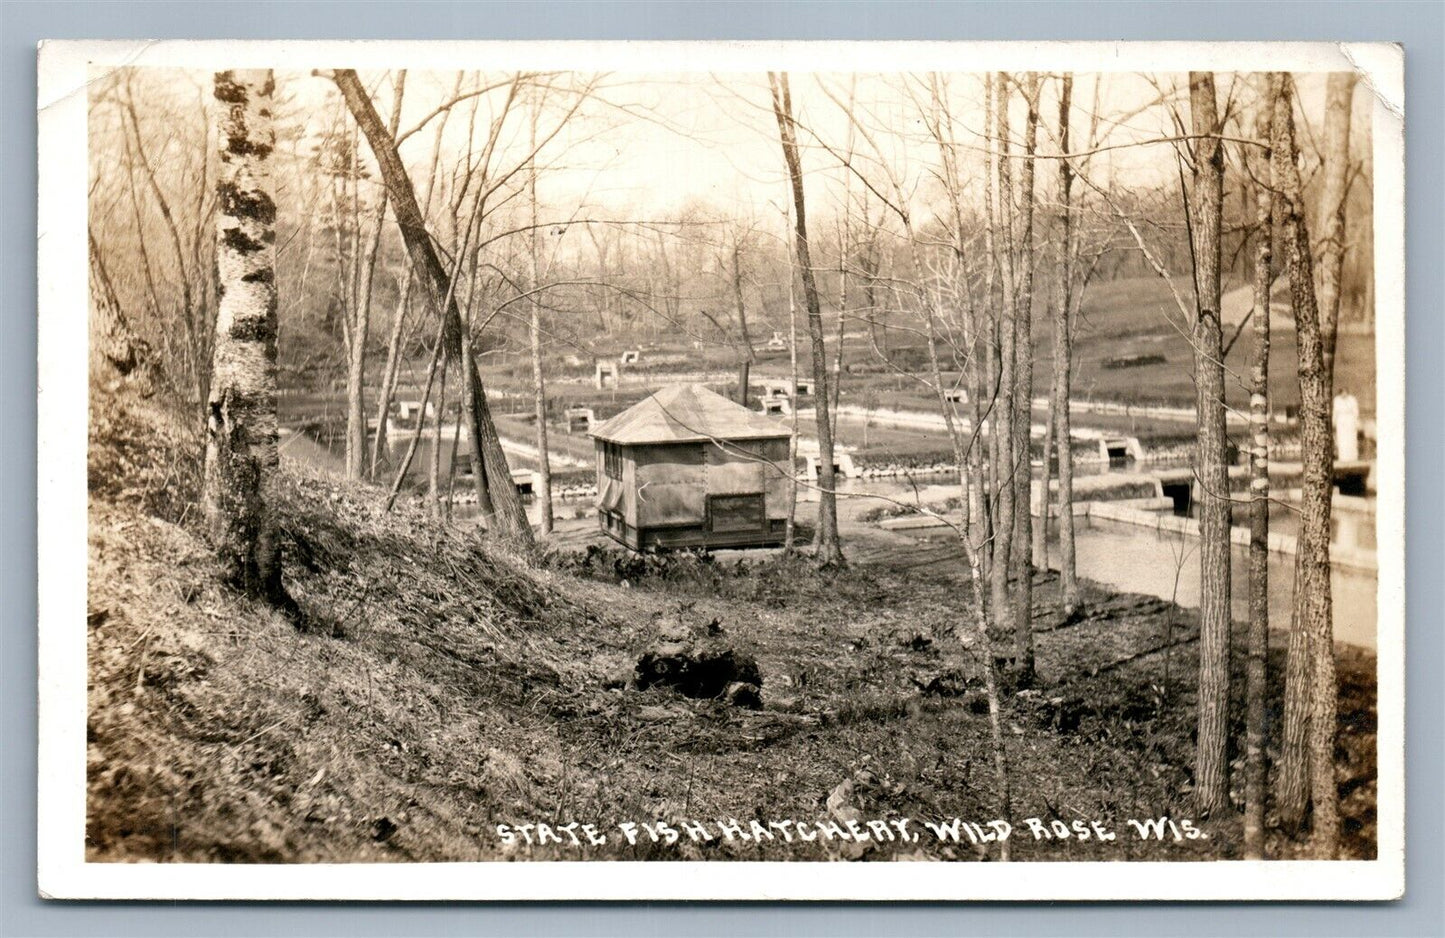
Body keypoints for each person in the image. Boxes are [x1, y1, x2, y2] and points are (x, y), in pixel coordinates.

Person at [1333, 386, 1360, 461]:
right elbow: (1335, 412)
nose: (1344, 394)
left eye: (1345, 392)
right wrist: (1334, 421)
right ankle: (1343, 457)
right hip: (1341, 421)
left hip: (1350, 420)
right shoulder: (1337, 400)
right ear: (1340, 393)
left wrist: (1355, 420)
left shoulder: (1352, 399)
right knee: (1342, 439)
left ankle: (1352, 457)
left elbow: (1355, 411)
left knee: (1351, 438)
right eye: (1342, 392)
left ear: (1347, 392)